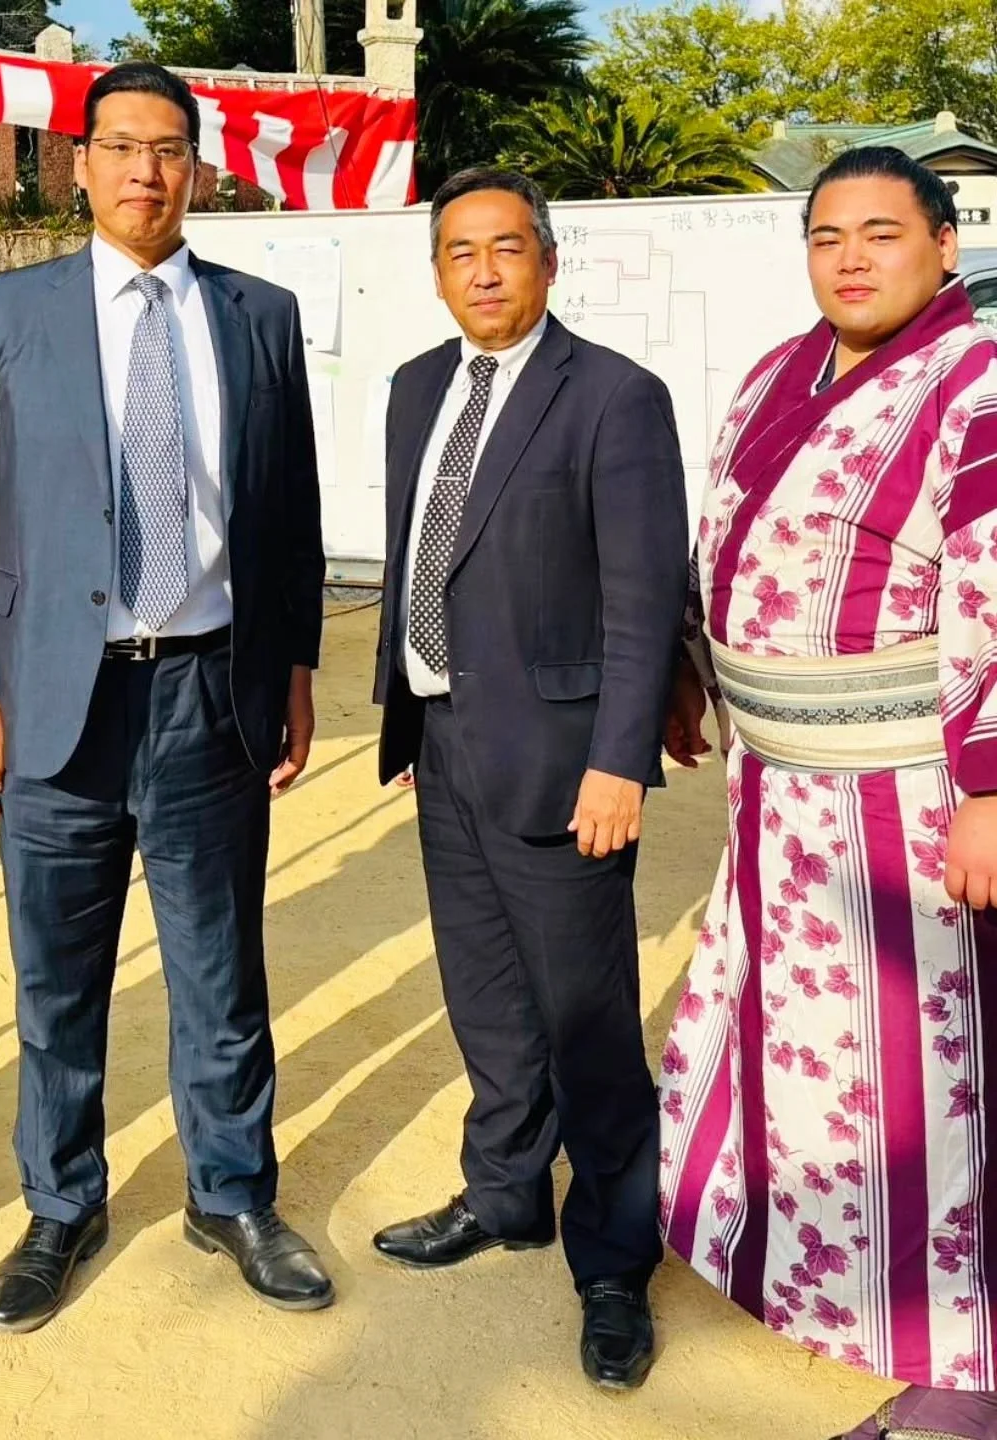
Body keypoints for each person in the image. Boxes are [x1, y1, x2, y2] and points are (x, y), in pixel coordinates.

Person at [0, 61, 332, 1334]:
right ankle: (60, 1202)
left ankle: (231, 1192)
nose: (145, 171)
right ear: (81, 165)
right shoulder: (9, 312)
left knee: (222, 970)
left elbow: (290, 513)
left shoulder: (258, 315)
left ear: (196, 168)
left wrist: (295, 671)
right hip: (55, 698)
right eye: (121, 147)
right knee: (58, 981)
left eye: (169, 149)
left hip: (209, 691)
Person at [661, 146, 997, 1440]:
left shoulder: (976, 386)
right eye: (826, 236)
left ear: (943, 246)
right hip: (775, 796)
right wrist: (695, 673)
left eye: (881, 233)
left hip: (904, 803)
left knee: (926, 1087)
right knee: (800, 1072)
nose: (850, 257)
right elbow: (725, 542)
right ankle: (853, 1306)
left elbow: (987, 589)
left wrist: (987, 787)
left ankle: (962, 1377)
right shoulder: (776, 373)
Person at [368, 165, 689, 1389]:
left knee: (588, 1019)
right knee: (489, 997)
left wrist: (621, 763)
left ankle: (613, 1257)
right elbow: (419, 561)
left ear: (549, 262)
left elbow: (641, 592)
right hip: (444, 745)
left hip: (564, 763)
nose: (485, 271)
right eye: (461, 252)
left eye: (508, 249)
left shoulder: (613, 396)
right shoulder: (414, 390)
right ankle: (504, 1193)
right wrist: (408, 711)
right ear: (438, 268)